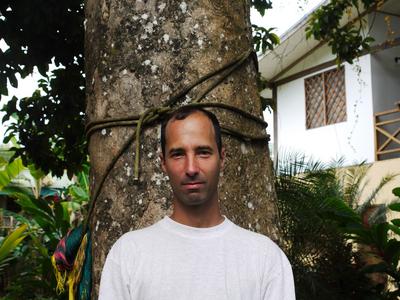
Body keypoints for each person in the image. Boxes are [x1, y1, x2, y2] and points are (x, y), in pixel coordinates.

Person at [99, 107, 295, 299]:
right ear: (163, 162)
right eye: (178, 154)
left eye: (203, 152)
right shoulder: (128, 254)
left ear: (222, 158)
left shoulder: (265, 258)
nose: (191, 168)